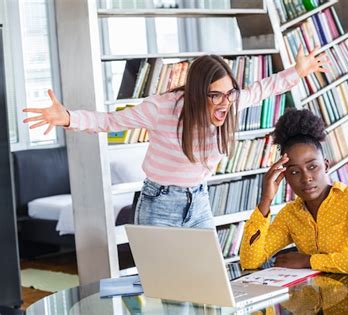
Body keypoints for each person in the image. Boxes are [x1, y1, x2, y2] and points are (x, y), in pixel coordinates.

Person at [22, 48, 329, 229]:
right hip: (158, 204)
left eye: (229, 94)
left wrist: (297, 72)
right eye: (215, 95)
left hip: (199, 201)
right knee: (165, 292)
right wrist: (68, 118)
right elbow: (109, 121)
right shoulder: (163, 109)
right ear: (197, 94)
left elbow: (262, 89)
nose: (225, 102)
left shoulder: (230, 102)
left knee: (206, 283)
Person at [239, 109, 348, 275]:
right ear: (285, 177)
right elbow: (250, 261)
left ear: (326, 165)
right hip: (315, 296)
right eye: (294, 172)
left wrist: (308, 260)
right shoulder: (290, 215)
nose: (306, 178)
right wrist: (266, 199)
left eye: (312, 167)